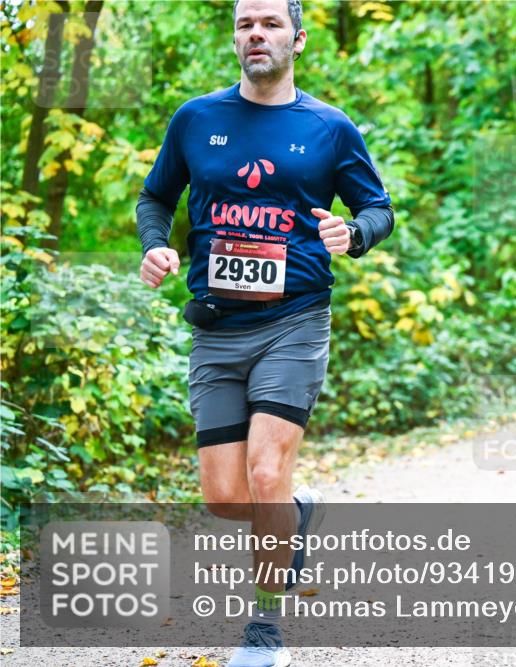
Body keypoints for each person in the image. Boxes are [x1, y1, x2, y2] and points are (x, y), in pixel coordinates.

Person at [136, 1, 394, 665]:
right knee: (225, 498)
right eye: (246, 24)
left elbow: (377, 207)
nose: (257, 33)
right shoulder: (196, 119)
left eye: (271, 23)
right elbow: (155, 196)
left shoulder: (330, 128)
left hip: (295, 321)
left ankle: (265, 629)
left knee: (266, 467)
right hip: (217, 328)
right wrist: (156, 245)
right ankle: (296, 512)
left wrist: (354, 233)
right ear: (235, 39)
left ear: (298, 39)